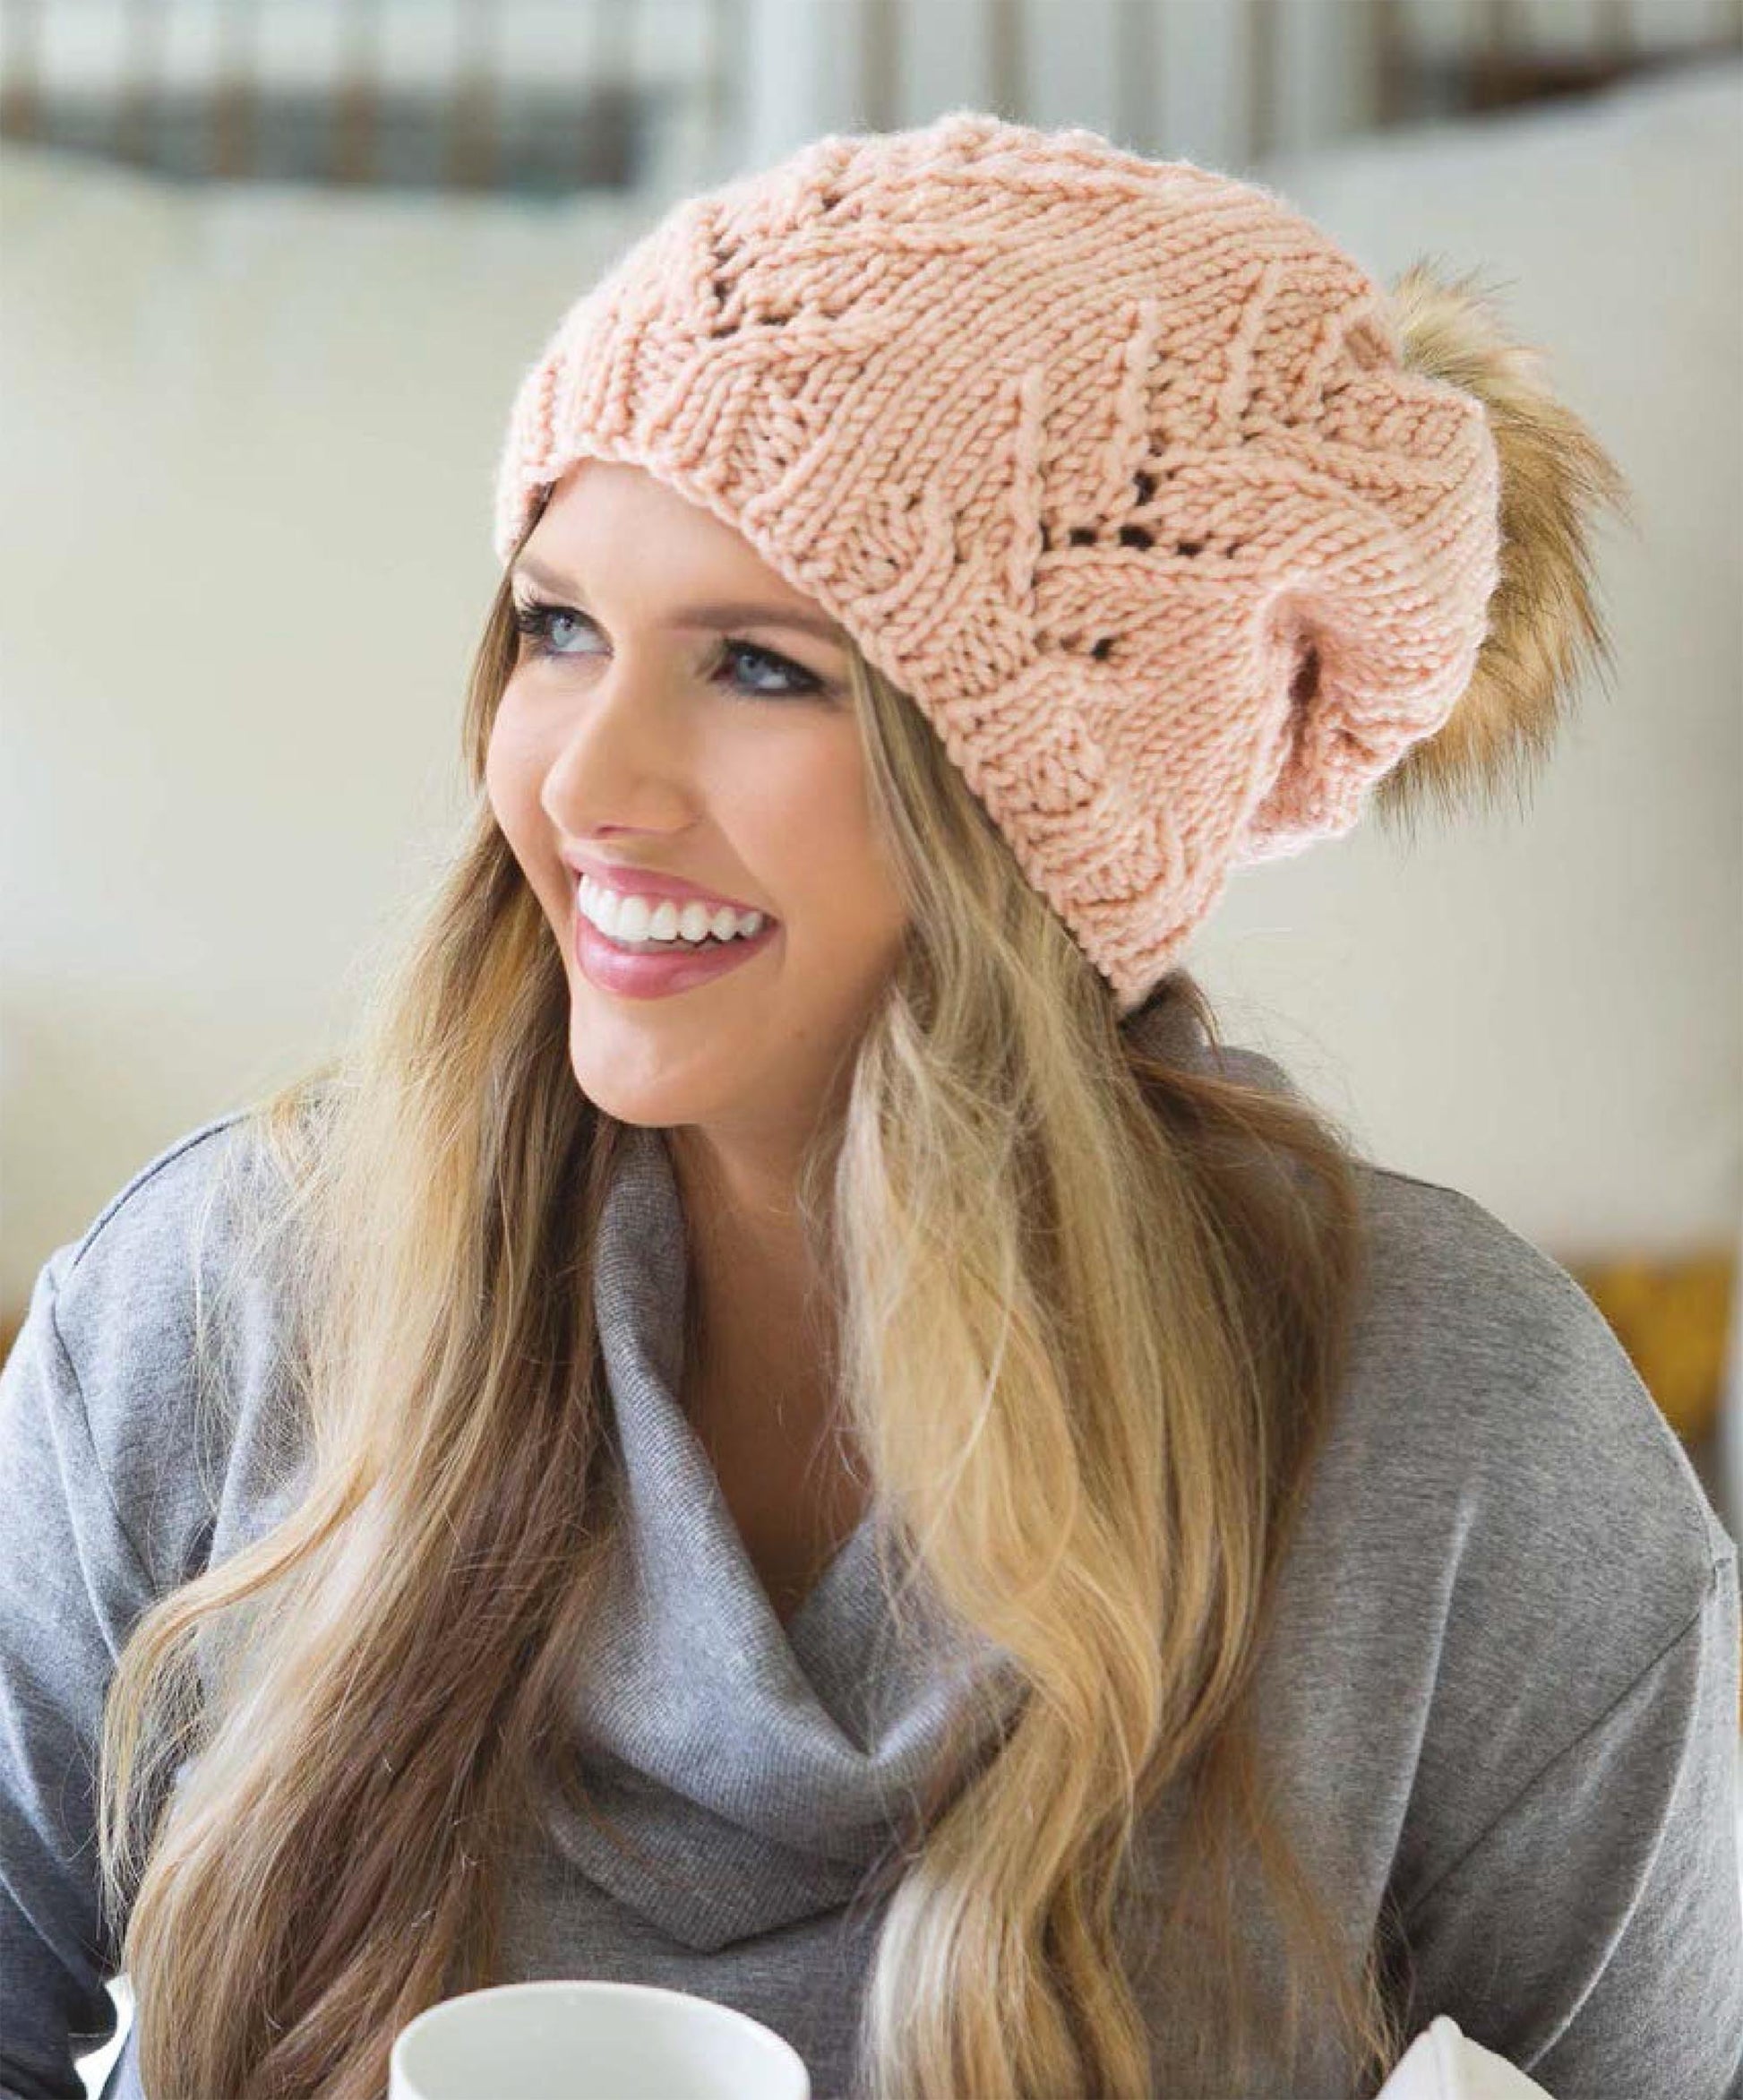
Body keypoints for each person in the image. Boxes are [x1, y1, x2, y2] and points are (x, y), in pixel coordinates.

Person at [2, 108, 1738, 2100]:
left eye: (761, 667)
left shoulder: (1453, 1431)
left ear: (1039, 814)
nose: (584, 783)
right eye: (560, 627)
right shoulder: (222, 1303)